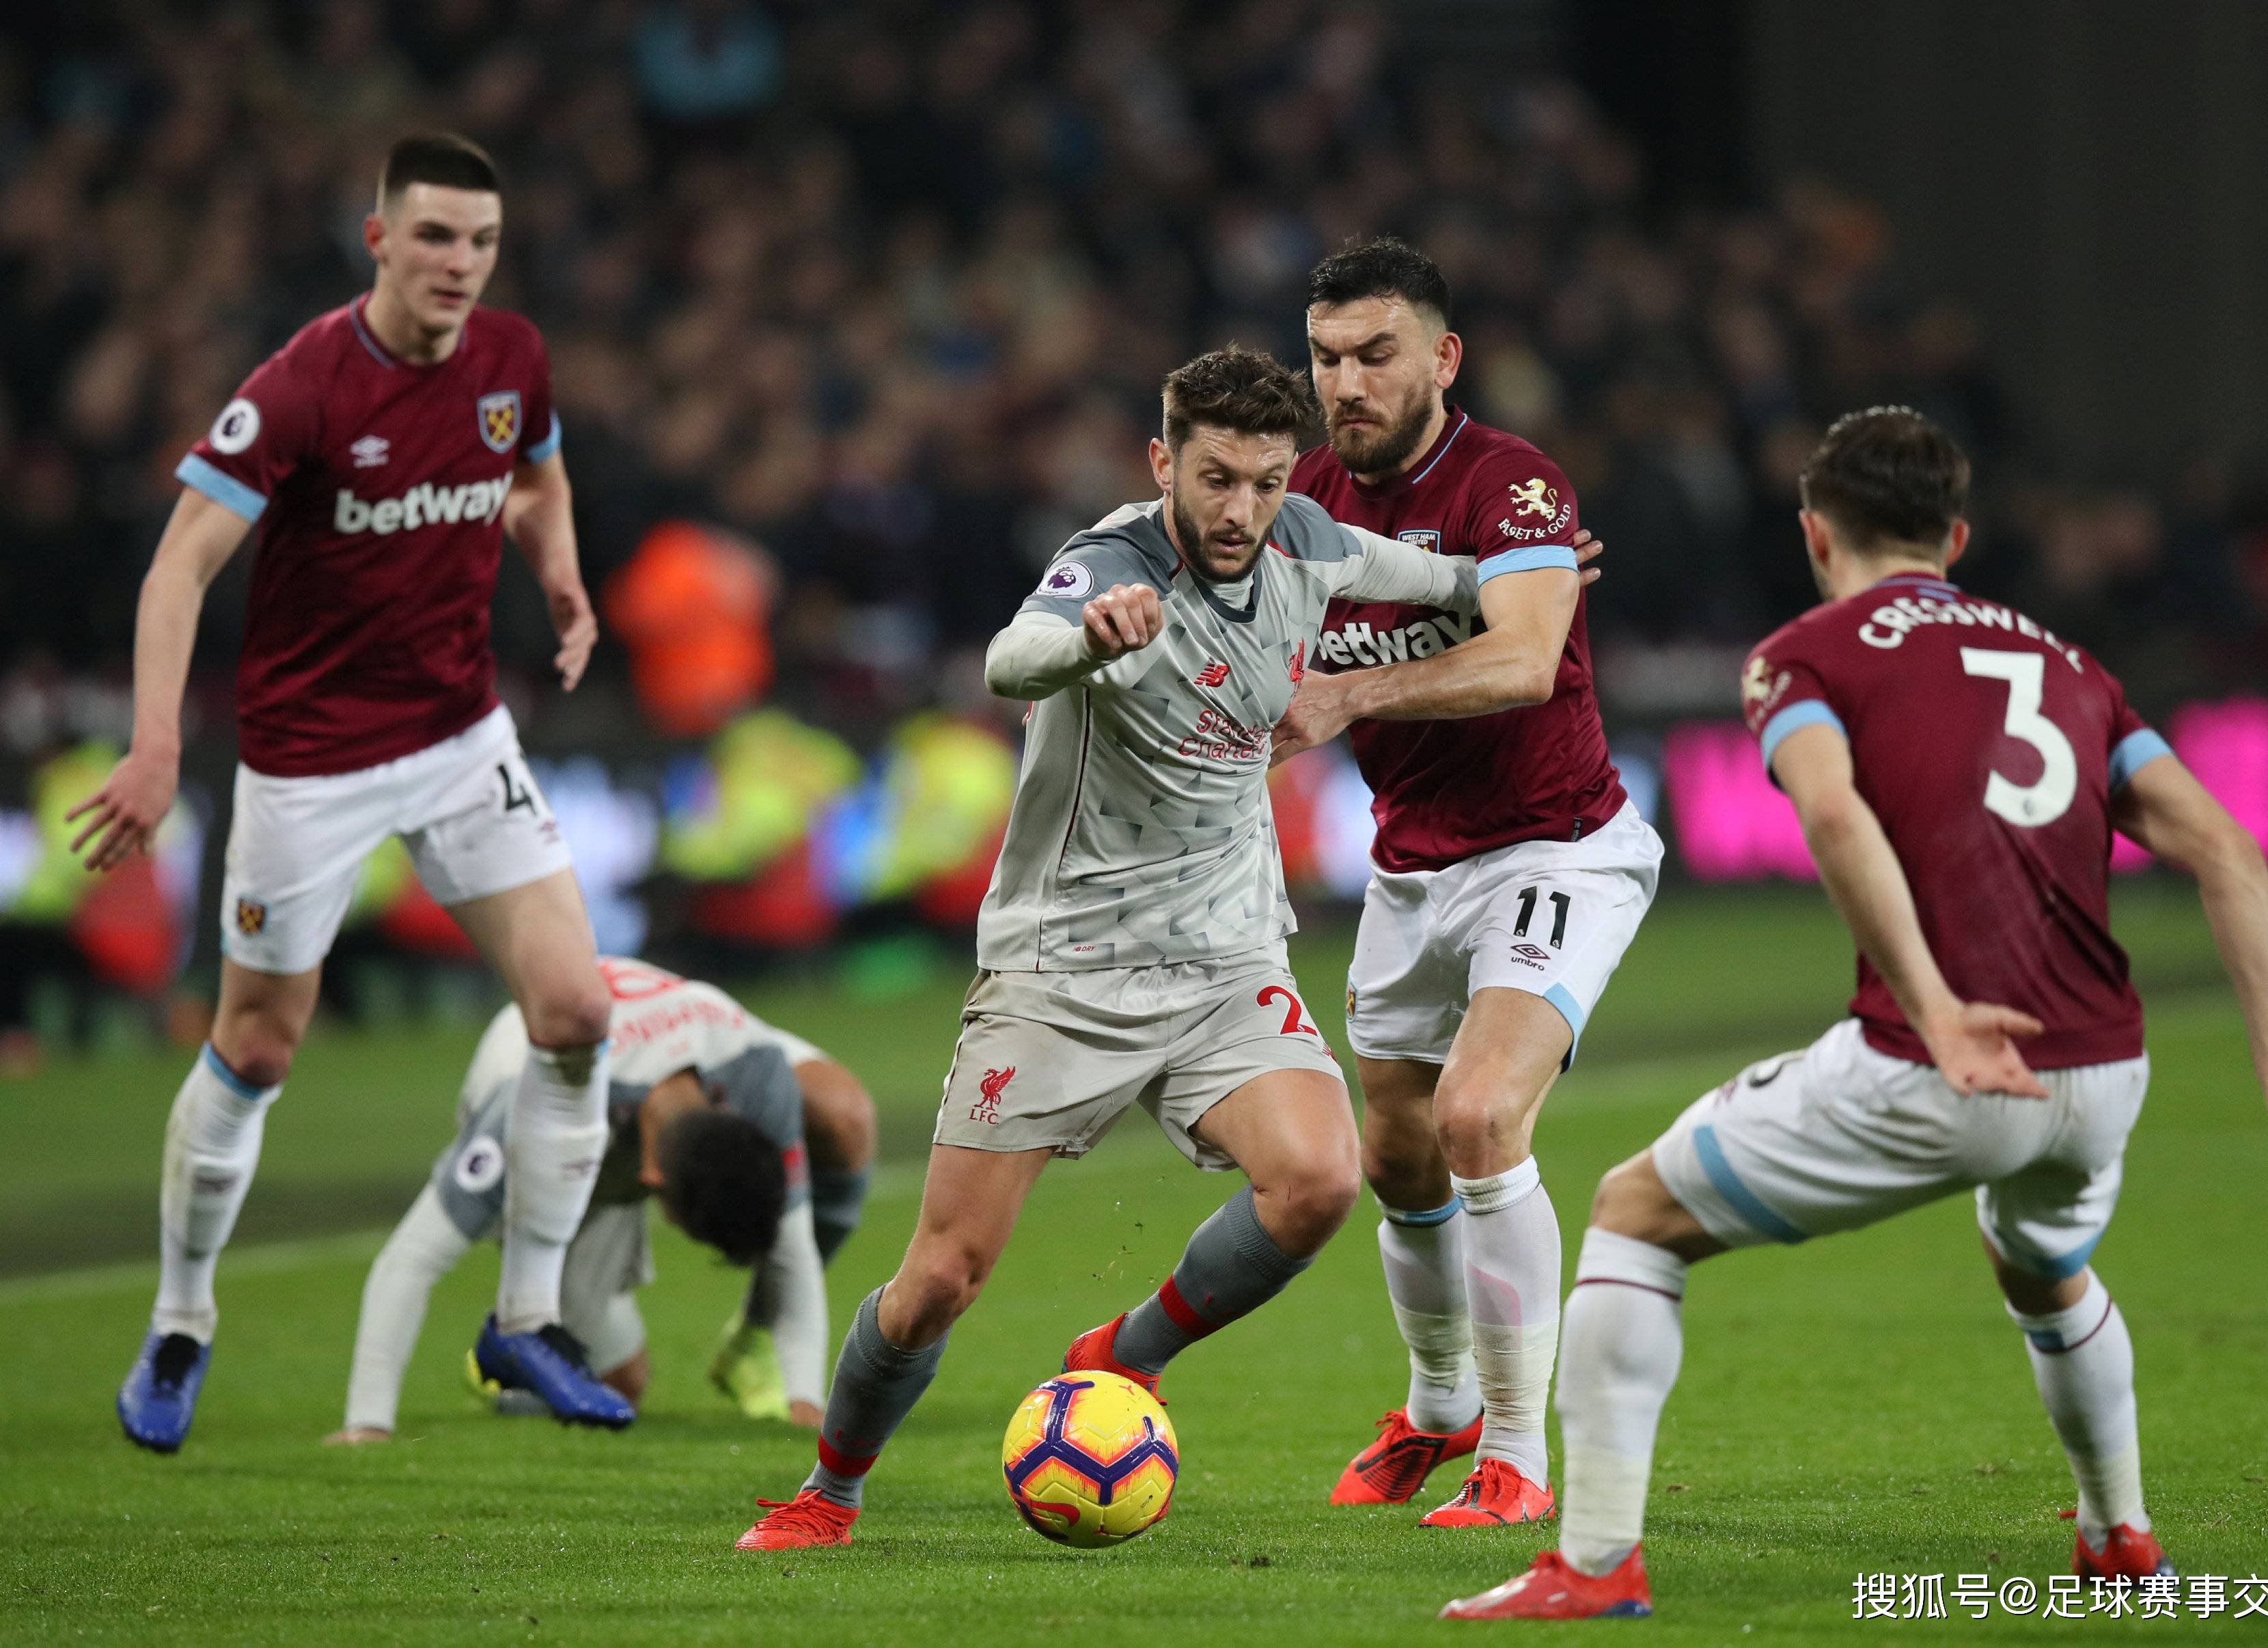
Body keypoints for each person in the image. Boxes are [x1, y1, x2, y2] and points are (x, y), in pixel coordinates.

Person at [1444, 407, 2268, 1620]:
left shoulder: (1806, 657)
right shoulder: (2068, 665)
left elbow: (1834, 814)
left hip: (1940, 1062)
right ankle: (2119, 1538)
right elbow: (2228, 850)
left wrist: (1934, 1010)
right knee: (2044, 1266)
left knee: (1632, 1216)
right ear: (1957, 538)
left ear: (1816, 535)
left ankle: (1596, 1563)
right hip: (2102, 1073)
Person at [734, 346, 1499, 1552]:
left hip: (1225, 962)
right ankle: (828, 1492)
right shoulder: (1112, 564)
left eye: (1263, 481)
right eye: (1214, 479)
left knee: (1318, 1181)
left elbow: (1452, 577)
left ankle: (1124, 1355)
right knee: (941, 1277)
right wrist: (1087, 641)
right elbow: (1011, 658)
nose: (1240, 509)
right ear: (1163, 464)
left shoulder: (1311, 543)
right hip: (1063, 975)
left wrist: (1536, 566)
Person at [71, 133, 626, 1451]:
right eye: (434, 236)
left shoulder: (512, 359)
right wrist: (155, 748)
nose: (459, 264)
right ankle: (181, 1319)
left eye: (481, 242)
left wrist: (559, 570)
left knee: (577, 1011)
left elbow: (536, 478)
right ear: (378, 238)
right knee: (258, 1045)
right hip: (309, 764)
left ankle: (526, 1319)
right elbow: (177, 569)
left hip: (459, 738)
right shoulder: (303, 386)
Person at [1273, 238, 1662, 1526]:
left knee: (1480, 1118)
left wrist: (1349, 694)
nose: (1347, 383)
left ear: (1443, 358)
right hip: (1410, 863)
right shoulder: (1303, 499)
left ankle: (1518, 1453)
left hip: (1556, 845)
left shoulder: (1512, 484)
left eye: (1376, 354)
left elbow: (1525, 660)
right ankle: (1437, 1403)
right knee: (1396, 1152)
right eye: (1327, 358)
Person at [325, 956, 877, 1441]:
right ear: (653, 1187)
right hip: (547, 1133)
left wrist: (807, 1405)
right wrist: (368, 1425)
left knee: (619, 1388)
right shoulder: (538, 1102)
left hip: (667, 1053)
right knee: (619, 1385)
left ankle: (750, 1346)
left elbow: (792, 1246)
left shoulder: (757, 1073)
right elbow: (413, 1257)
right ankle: (505, 1352)